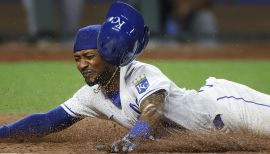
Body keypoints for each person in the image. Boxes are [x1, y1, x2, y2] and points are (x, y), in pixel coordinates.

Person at [1, 1, 270, 153]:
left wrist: (133, 139)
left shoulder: (139, 72)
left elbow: (152, 109)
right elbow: (47, 121)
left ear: (108, 53)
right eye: (77, 58)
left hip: (230, 107)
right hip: (220, 130)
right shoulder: (90, 96)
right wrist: (3, 133)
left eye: (89, 56)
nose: (82, 64)